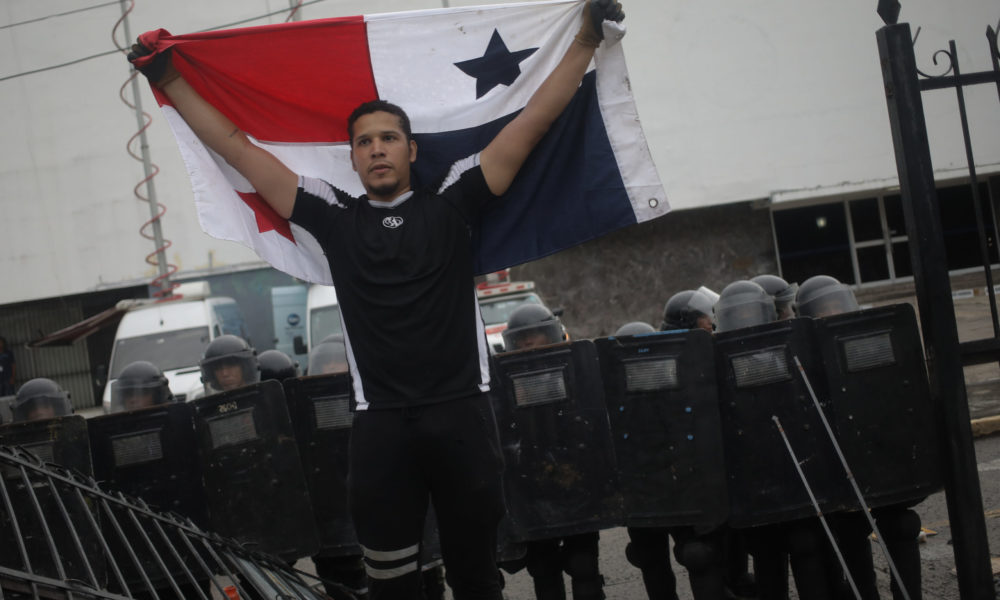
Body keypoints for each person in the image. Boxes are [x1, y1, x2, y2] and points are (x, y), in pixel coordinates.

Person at [129, 4, 625, 595]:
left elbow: (533, 122)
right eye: (364, 142)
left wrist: (587, 40)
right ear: (353, 156)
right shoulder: (333, 220)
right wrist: (169, 79)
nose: (378, 148)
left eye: (390, 138)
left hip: (462, 413)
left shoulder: (455, 204)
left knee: (476, 579)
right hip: (381, 427)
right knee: (391, 584)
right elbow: (238, 150)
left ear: (412, 150)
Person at [498, 303, 606, 600]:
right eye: (521, 338)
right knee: (543, 567)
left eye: (533, 335)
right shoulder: (505, 379)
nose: (527, 343)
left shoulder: (577, 367)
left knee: (583, 564)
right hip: (533, 488)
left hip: (576, 482)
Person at [108, 361, 175, 413]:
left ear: (157, 396)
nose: (133, 400)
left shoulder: (176, 422)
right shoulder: (118, 426)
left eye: (142, 393)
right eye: (127, 394)